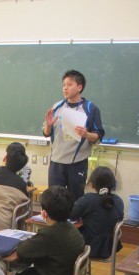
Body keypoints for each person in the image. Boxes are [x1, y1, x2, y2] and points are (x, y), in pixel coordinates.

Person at [43, 70, 105, 201]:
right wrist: (48, 125)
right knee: (53, 200)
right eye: (64, 85)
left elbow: (98, 136)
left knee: (75, 200)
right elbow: (46, 133)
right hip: (56, 163)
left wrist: (86, 134)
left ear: (79, 87)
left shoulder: (90, 108)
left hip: (77, 164)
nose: (65, 88)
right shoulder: (57, 106)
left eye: (69, 84)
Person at [69, 166, 124, 259]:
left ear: (93, 184)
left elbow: (71, 215)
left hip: (90, 246)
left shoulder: (88, 199)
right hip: (110, 246)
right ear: (113, 183)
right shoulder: (118, 200)